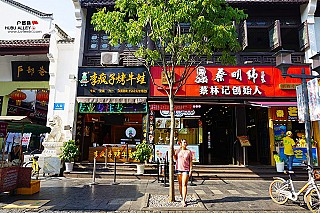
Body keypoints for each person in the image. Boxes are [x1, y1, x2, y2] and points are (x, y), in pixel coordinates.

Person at [174, 139, 193, 207]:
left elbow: (191, 162)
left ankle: (184, 200)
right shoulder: (178, 151)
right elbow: (175, 158)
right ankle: (182, 197)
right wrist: (173, 153)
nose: (185, 143)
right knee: (180, 184)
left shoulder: (188, 151)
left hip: (186, 169)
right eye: (184, 142)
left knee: (184, 184)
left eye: (186, 142)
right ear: (181, 144)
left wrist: (190, 170)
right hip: (178, 168)